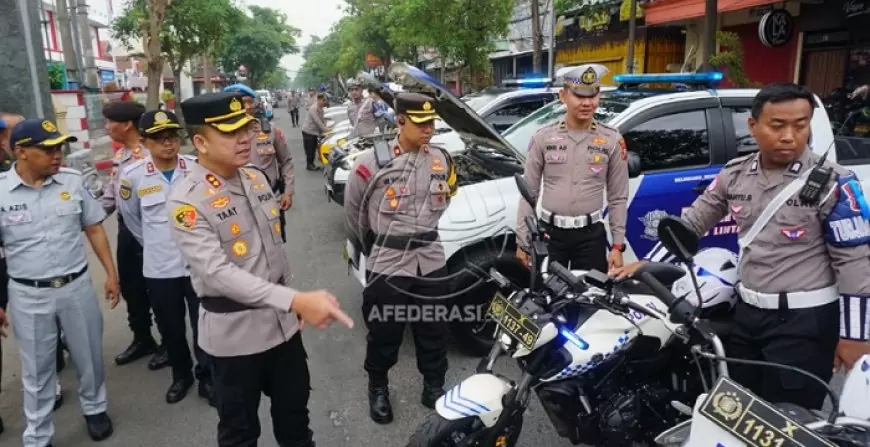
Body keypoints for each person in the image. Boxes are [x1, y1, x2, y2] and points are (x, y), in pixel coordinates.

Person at [612, 83, 870, 410]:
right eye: (777, 126)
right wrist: (647, 266)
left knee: (788, 416)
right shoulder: (735, 175)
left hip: (804, 322)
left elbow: (855, 263)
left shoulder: (834, 183)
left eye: (800, 125)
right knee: (737, 408)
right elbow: (690, 225)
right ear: (753, 126)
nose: (789, 136)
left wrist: (855, 336)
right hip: (747, 315)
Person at [169, 91, 354, 447]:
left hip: (283, 329)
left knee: (296, 423)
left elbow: (273, 251)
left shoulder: (254, 177)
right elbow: (217, 273)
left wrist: (289, 303)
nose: (244, 139)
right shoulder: (186, 201)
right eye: (230, 132)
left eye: (245, 129)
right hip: (234, 340)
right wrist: (294, 300)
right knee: (240, 434)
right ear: (200, 143)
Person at [2, 118, 120, 446]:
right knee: (37, 368)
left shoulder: (71, 181)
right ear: (21, 152)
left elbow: (94, 228)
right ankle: (38, 434)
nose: (57, 155)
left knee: (89, 355)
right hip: (28, 293)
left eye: (59, 148)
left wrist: (111, 274)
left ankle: (95, 408)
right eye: (48, 149)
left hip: (75, 287)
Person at [344, 92, 458, 424]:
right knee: (385, 330)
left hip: (431, 259)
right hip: (388, 260)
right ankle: (378, 387)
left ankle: (433, 385)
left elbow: (447, 196)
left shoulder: (441, 159)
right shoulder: (371, 162)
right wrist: (376, 245)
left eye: (431, 122)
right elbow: (354, 213)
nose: (428, 129)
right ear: (400, 121)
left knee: (434, 327)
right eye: (420, 123)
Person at [117, 110, 213, 405]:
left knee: (204, 325)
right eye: (159, 138)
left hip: (197, 264)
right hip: (159, 268)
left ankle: (207, 378)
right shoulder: (132, 177)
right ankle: (181, 375)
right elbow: (132, 220)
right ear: (144, 141)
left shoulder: (196, 168)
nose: (168, 143)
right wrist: (156, 244)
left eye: (172, 136)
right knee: (171, 327)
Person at [516, 64, 629, 274]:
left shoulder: (612, 140)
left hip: (591, 237)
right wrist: (522, 241)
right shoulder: (543, 138)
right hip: (549, 236)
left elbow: (618, 197)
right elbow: (529, 192)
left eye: (592, 95)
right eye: (579, 96)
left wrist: (617, 245)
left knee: (591, 293)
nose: (587, 103)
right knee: (547, 292)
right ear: (563, 96)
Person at [101, 101, 169, 370]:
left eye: (110, 121)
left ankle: (169, 343)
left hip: (152, 230)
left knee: (158, 288)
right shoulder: (121, 156)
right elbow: (112, 197)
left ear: (127, 124)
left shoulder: (150, 154)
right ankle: (143, 338)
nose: (106, 127)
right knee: (132, 287)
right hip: (126, 231)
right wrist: (87, 217)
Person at [224, 83, 296, 242]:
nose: (246, 106)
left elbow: (286, 160)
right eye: (241, 102)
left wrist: (288, 192)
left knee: (275, 243)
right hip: (237, 204)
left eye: (249, 101)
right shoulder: (222, 136)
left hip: (270, 199)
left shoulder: (270, 131)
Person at [300, 93, 329, 171]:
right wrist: (325, 130)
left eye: (325, 101)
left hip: (314, 132)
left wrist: (326, 129)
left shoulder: (320, 108)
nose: (325, 102)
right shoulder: (313, 108)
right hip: (308, 131)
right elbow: (317, 121)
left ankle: (311, 164)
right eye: (323, 100)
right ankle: (309, 165)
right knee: (310, 149)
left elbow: (323, 119)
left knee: (313, 148)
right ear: (318, 100)